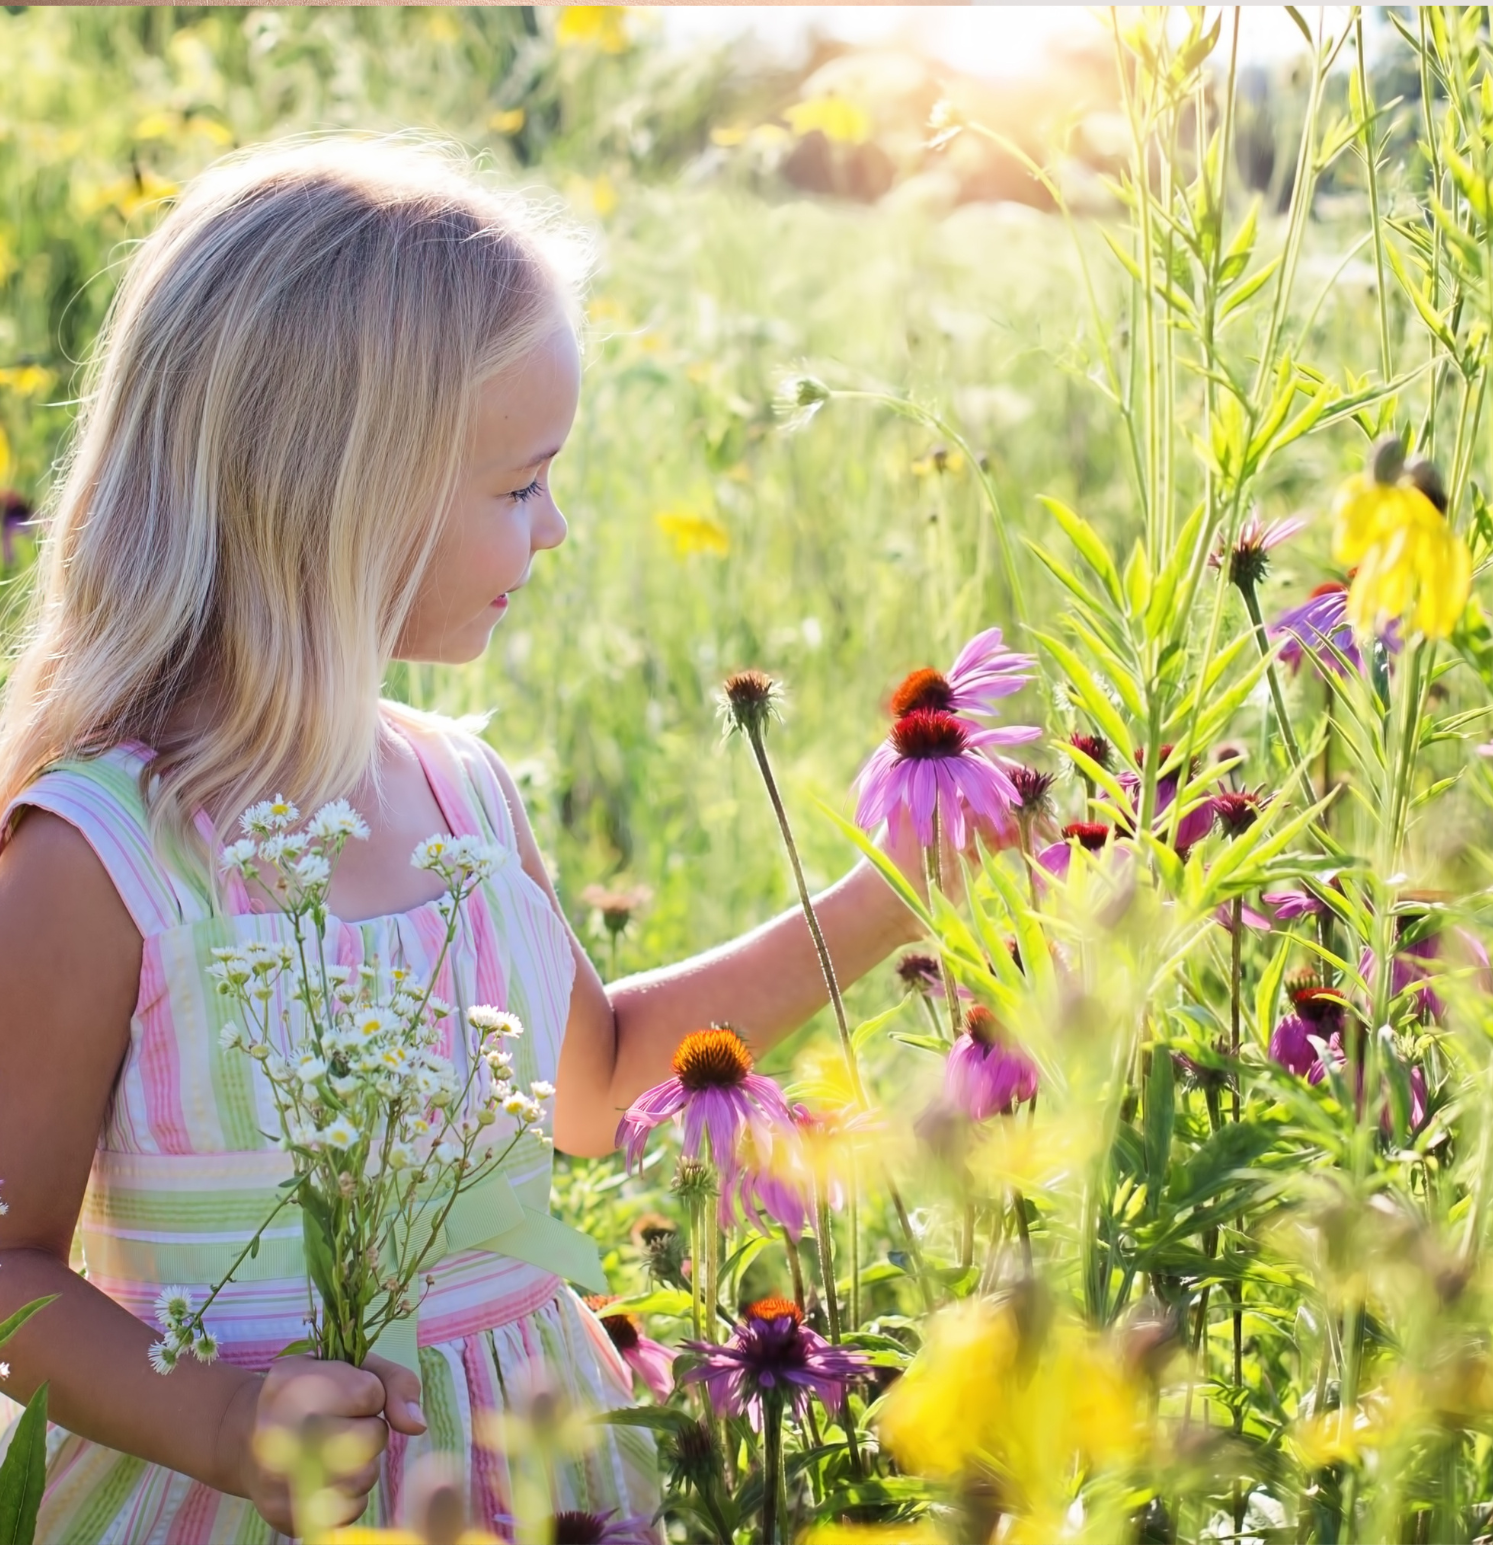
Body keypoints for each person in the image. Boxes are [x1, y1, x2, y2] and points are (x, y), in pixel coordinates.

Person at [0, 137, 923, 1541]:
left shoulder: (464, 800)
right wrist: (224, 1423)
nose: (556, 529)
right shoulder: (103, 858)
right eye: (518, 484)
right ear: (334, 499)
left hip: (528, 1473)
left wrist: (889, 896)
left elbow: (600, 1084)